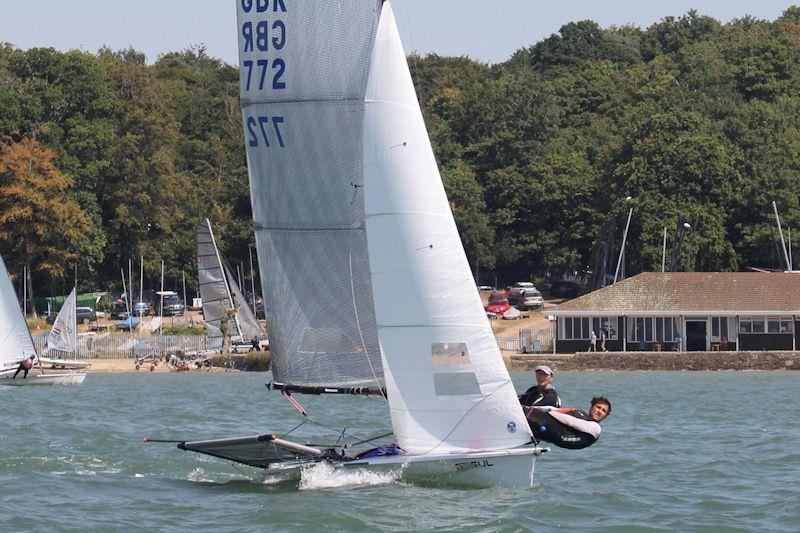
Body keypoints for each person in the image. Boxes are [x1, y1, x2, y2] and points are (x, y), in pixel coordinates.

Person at [525, 396, 611, 450]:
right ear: (592, 407)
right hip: (545, 426)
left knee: (526, 414)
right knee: (523, 411)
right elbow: (553, 409)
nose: (600, 411)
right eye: (598, 407)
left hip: (551, 428)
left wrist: (551, 413)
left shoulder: (596, 428)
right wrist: (529, 407)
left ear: (606, 416)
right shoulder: (580, 413)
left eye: (604, 411)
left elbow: (571, 422)